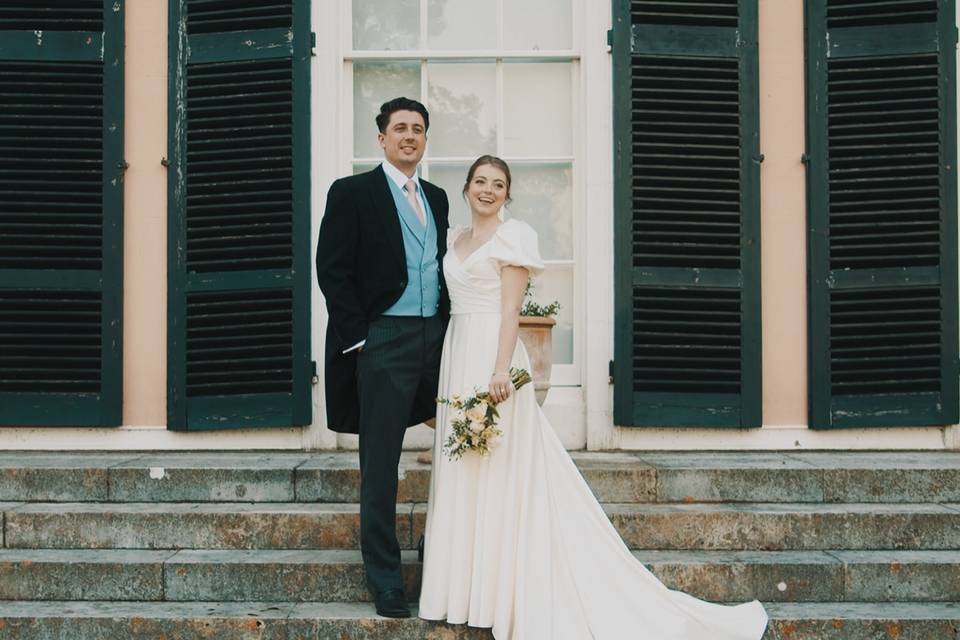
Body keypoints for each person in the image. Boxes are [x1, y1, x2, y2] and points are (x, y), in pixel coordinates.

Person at [418, 155, 769, 639]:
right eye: (480, 181)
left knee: (500, 469)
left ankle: (499, 592)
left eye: (498, 184)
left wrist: (499, 370)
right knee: (465, 468)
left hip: (492, 359)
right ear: (466, 187)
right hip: (457, 354)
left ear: (507, 193)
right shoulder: (454, 238)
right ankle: (462, 589)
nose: (488, 190)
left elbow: (511, 310)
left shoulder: (513, 237)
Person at [315, 97, 449, 619]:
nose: (409, 136)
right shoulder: (352, 193)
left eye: (418, 129)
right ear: (382, 138)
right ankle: (386, 580)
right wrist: (360, 339)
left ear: (425, 139)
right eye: (400, 128)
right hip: (384, 339)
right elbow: (332, 269)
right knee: (381, 462)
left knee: (462, 450)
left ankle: (448, 557)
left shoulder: (437, 198)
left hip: (437, 337)